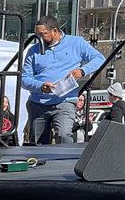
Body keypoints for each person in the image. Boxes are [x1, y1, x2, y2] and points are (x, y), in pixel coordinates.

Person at [22, 15, 105, 144]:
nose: (39, 38)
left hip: (65, 100)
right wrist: (41, 86)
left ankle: (66, 162)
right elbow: (24, 78)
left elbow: (99, 58)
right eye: (37, 35)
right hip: (38, 102)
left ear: (55, 31)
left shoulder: (76, 43)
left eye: (43, 34)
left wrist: (82, 71)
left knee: (64, 134)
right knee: (37, 141)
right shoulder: (33, 51)